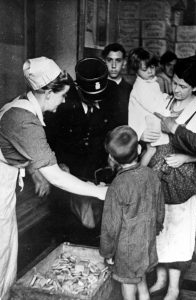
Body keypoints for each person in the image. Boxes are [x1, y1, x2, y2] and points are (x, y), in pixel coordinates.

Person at [0, 56, 107, 300]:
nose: (62, 102)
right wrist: (98, 191)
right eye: (61, 96)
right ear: (48, 93)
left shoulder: (21, 106)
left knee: (6, 259)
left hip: (5, 189)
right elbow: (55, 176)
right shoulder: (23, 119)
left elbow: (28, 154)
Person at [135, 55, 196, 300]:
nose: (177, 90)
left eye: (184, 86)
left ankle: (174, 287)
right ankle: (160, 278)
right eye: (176, 83)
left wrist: (186, 158)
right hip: (156, 176)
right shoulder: (166, 100)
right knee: (159, 230)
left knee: (177, 235)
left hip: (180, 181)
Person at [44, 57, 118, 229]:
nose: (97, 101)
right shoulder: (62, 101)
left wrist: (112, 156)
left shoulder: (112, 92)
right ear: (78, 88)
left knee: (96, 224)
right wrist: (59, 163)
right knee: (71, 224)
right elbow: (49, 138)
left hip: (98, 171)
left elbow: (112, 129)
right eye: (92, 97)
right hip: (69, 172)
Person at [100, 125, 165, 300]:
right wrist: (156, 227)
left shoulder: (117, 186)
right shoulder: (152, 175)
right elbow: (160, 210)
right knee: (141, 280)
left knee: (128, 286)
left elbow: (110, 226)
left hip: (127, 250)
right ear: (138, 149)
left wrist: (107, 252)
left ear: (112, 157)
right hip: (147, 243)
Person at [127, 47, 170, 147]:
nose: (150, 71)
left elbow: (156, 96)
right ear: (136, 70)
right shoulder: (140, 87)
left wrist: (165, 97)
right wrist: (169, 109)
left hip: (151, 126)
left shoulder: (151, 82)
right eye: (145, 69)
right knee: (151, 150)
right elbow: (156, 108)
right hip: (144, 130)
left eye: (152, 67)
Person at [102, 43, 132, 125]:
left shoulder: (131, 90)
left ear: (124, 63)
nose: (114, 66)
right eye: (109, 60)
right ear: (104, 62)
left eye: (118, 60)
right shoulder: (98, 88)